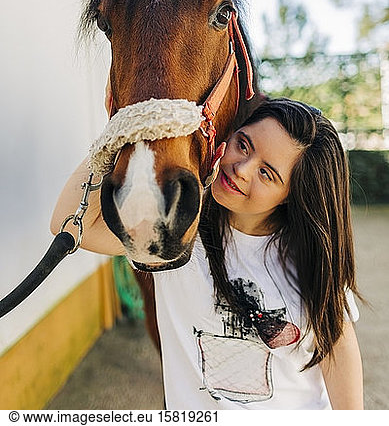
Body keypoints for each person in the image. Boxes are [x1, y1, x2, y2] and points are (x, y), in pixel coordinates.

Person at [51, 95, 364, 410]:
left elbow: (337, 352)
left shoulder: (309, 257)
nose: (242, 169)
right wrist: (118, 132)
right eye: (243, 145)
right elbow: (71, 225)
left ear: (290, 194)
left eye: (267, 173)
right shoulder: (177, 228)